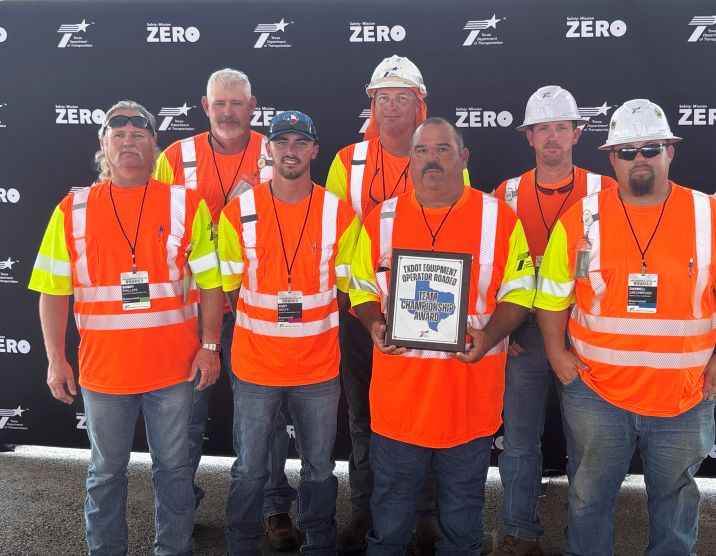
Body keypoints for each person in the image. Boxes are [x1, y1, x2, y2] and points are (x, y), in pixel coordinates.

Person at [535, 99, 716, 555]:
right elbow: (552, 297)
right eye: (627, 151)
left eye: (651, 148)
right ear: (611, 159)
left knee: (675, 503)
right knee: (586, 500)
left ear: (670, 153)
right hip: (597, 394)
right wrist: (560, 359)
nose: (639, 158)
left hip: (684, 396)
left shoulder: (710, 217)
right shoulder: (583, 218)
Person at [29, 100, 224, 555]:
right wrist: (56, 359)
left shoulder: (185, 203)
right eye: (118, 134)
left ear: (155, 145)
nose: (129, 140)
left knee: (174, 470)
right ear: (103, 145)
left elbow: (213, 283)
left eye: (140, 133)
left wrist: (210, 344)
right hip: (104, 375)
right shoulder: (72, 209)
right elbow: (53, 291)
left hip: (173, 370)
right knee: (105, 472)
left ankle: (174, 549)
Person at [349, 117, 535, 554]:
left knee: (463, 517)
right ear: (409, 159)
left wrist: (488, 338)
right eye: (422, 150)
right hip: (400, 403)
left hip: (469, 400)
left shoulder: (499, 218)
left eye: (443, 149)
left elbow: (521, 293)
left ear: (463, 157)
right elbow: (359, 285)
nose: (432, 159)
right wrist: (375, 323)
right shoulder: (384, 218)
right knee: (390, 516)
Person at [153, 68, 299, 550]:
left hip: (259, 307)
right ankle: (182, 505)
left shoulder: (274, 151)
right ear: (205, 105)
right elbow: (153, 226)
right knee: (185, 414)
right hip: (192, 311)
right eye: (221, 104)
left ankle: (275, 506)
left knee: (268, 418)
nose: (229, 113)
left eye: (238, 104)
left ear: (253, 106)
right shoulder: (175, 157)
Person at [327, 54, 466, 553]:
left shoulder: (441, 153)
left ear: (419, 104)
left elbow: (459, 235)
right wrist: (369, 311)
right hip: (365, 312)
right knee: (365, 419)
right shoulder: (347, 161)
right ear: (371, 103)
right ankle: (365, 516)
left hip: (429, 310)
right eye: (382, 98)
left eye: (402, 98)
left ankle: (426, 516)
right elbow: (341, 238)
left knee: (428, 413)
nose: (391, 107)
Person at [219, 111, 360, 555]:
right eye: (283, 142)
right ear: (270, 149)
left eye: (301, 142)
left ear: (314, 150)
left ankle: (318, 542)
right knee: (249, 469)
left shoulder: (339, 213)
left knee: (319, 467)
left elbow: (344, 290)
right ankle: (241, 544)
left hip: (317, 368)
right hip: (255, 366)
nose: (291, 150)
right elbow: (228, 288)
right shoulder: (238, 212)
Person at [490, 85, 616, 556]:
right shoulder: (508, 193)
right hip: (524, 335)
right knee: (519, 442)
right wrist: (501, 329)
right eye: (542, 128)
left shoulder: (605, 189)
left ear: (577, 134)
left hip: (585, 334)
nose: (552, 138)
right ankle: (520, 533)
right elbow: (490, 267)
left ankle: (582, 543)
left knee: (588, 446)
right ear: (528, 137)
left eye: (561, 127)